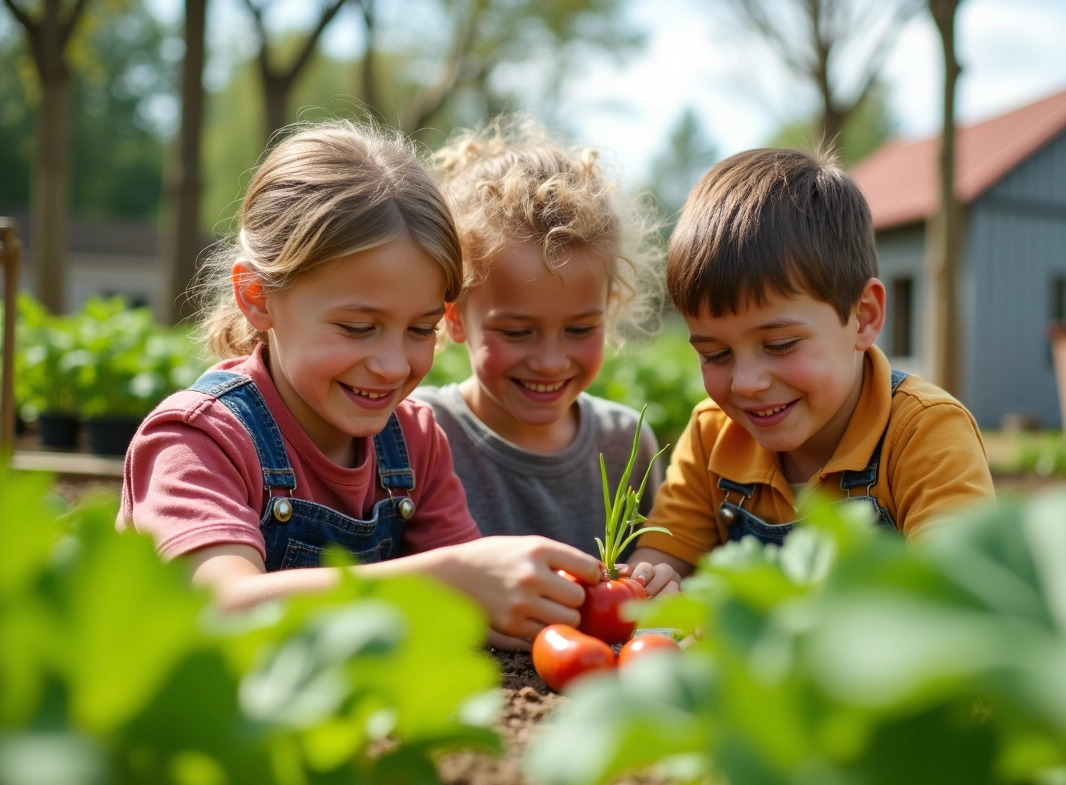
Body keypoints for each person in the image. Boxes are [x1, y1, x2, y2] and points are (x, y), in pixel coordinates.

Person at [119, 121, 605, 652]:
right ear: (257, 296)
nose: (394, 366)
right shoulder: (199, 441)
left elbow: (475, 609)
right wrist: (444, 578)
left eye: (422, 329)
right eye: (358, 327)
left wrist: (586, 596)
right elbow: (222, 608)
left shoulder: (414, 443)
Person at [628, 146, 996, 595]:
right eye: (715, 354)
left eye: (780, 345)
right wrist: (653, 580)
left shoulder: (924, 433)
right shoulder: (712, 435)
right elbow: (668, 548)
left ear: (863, 317)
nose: (747, 383)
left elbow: (957, 592)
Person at [411, 117, 668, 560]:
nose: (550, 362)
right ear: (453, 316)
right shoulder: (418, 433)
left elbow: (655, 574)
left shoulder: (626, 442)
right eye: (517, 332)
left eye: (581, 329)